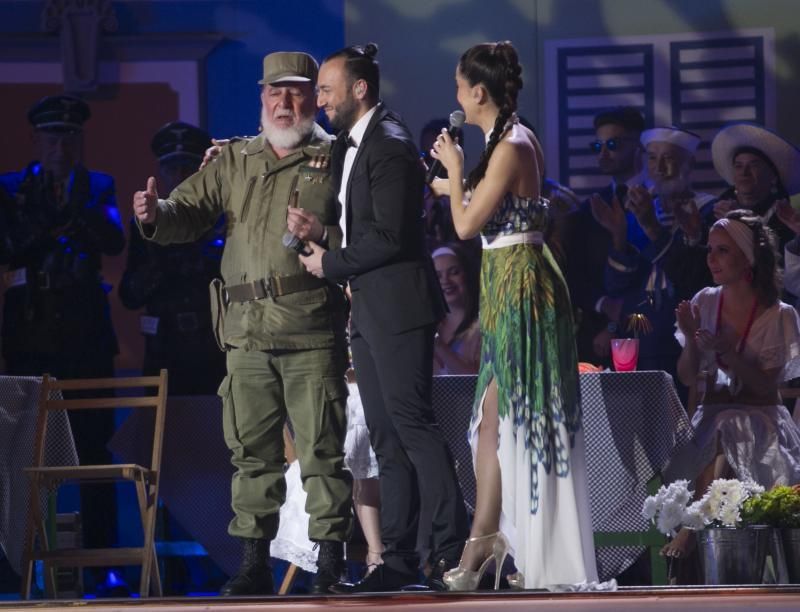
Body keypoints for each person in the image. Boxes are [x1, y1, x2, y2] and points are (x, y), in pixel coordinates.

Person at [131, 51, 353, 596]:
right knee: (251, 453)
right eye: (275, 92)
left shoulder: (339, 158)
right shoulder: (234, 160)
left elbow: (368, 237)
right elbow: (186, 214)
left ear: (313, 98)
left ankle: (329, 567)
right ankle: (253, 564)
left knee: (322, 451)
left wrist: (324, 231)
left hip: (310, 329)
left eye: (297, 92)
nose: (285, 102)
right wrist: (155, 215)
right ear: (261, 98)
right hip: (246, 333)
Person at [295, 42, 469, 592]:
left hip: (398, 307)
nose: (319, 100)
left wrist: (331, 262)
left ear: (359, 89)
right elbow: (366, 228)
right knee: (387, 437)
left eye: (326, 89)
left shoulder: (390, 145)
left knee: (412, 426)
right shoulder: (360, 144)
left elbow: (392, 238)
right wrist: (321, 235)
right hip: (368, 309)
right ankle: (395, 557)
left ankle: (447, 551)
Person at [429, 40, 597, 590]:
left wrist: (454, 168)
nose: (456, 97)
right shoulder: (504, 140)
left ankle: (493, 543)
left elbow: (465, 225)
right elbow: (480, 201)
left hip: (522, 287)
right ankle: (489, 539)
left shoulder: (511, 144)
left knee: (510, 416)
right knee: (492, 420)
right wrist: (444, 179)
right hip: (506, 283)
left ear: (478, 93)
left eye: (459, 87)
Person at [0, 94, 124, 575]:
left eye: (69, 136)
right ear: (36, 140)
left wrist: (65, 217)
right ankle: (26, 557)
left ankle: (105, 563)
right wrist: (58, 220)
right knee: (25, 453)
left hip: (86, 337)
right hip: (30, 337)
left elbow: (113, 241)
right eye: (52, 136)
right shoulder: (12, 188)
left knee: (96, 450)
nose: (60, 145)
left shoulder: (98, 186)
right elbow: (8, 246)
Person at [666, 210, 800, 557]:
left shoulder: (779, 314)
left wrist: (729, 352)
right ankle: (698, 534)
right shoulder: (705, 301)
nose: (711, 258)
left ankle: (694, 526)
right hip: (710, 422)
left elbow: (765, 386)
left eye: (723, 250)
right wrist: (694, 341)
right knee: (721, 426)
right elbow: (686, 376)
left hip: (761, 423)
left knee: (731, 424)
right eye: (710, 249)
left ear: (748, 257)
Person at [597, 126, 716, 383]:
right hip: (640, 333)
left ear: (689, 163)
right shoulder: (636, 210)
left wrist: (652, 228)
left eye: (669, 158)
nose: (659, 167)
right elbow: (616, 286)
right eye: (652, 158)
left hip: (685, 332)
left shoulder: (709, 211)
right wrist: (619, 238)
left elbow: (692, 279)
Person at [120, 121, 226, 394]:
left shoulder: (221, 218)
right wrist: (164, 260)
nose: (180, 175)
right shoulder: (144, 223)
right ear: (161, 172)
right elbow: (129, 295)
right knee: (163, 430)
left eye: (187, 167)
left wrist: (205, 253)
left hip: (213, 346)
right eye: (171, 168)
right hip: (165, 348)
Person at [564, 106, 648, 368]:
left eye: (612, 144)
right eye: (597, 145)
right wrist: (603, 304)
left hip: (653, 329)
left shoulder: (660, 200)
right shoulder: (593, 207)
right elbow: (576, 273)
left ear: (638, 146)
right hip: (599, 337)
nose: (603, 153)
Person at [432, 244, 480, 375]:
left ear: (468, 274)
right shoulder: (429, 327)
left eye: (454, 272)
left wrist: (439, 347)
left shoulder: (484, 327)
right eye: (438, 276)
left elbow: (478, 382)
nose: (445, 281)